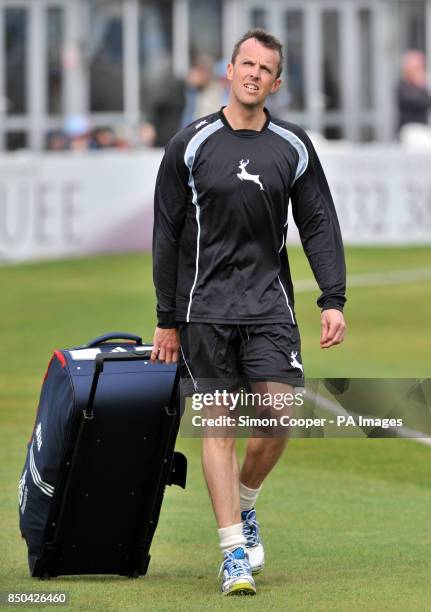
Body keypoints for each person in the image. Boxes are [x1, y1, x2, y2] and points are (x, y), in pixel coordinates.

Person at [151, 28, 346, 596]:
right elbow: (166, 234)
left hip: (269, 307)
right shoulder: (189, 144)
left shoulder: (292, 146)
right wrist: (167, 317)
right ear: (229, 71)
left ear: (276, 82)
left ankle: (245, 503)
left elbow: (318, 224)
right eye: (247, 64)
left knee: (280, 418)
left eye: (266, 68)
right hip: (202, 310)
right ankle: (233, 552)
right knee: (217, 426)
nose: (255, 74)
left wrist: (332, 298)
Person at [398, 50, 431, 132]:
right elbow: (421, 102)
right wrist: (422, 86)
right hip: (410, 129)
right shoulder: (402, 87)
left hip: (424, 128)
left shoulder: (425, 84)